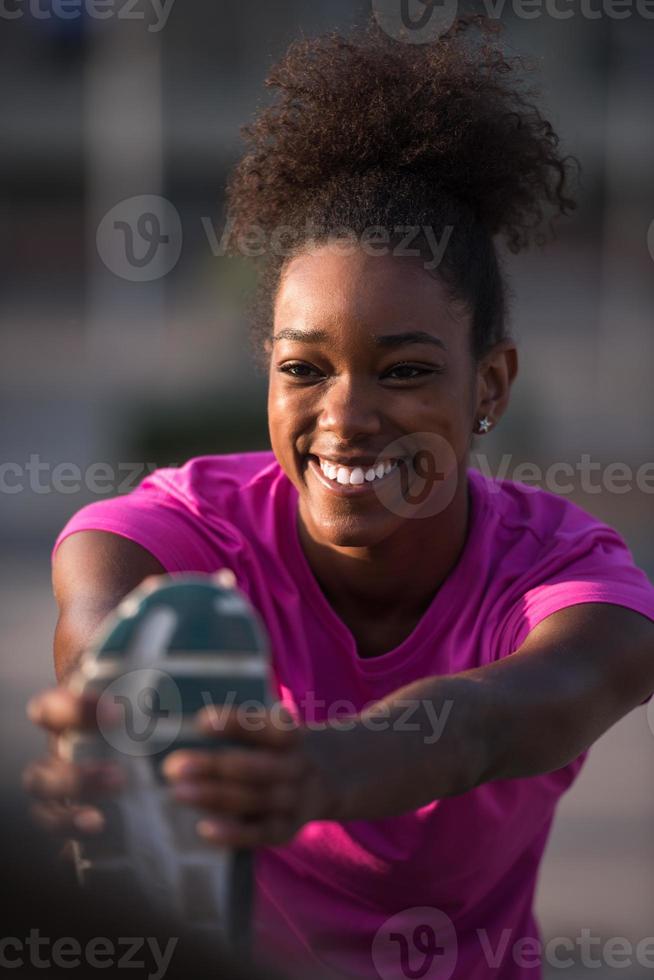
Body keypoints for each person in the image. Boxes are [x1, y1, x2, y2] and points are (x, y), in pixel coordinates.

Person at [23, 18, 654, 980]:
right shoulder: (189, 524)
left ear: (489, 388)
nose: (346, 416)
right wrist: (115, 710)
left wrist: (320, 772)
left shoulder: (566, 575)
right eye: (302, 368)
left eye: (404, 370)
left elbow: (511, 713)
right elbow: (103, 603)